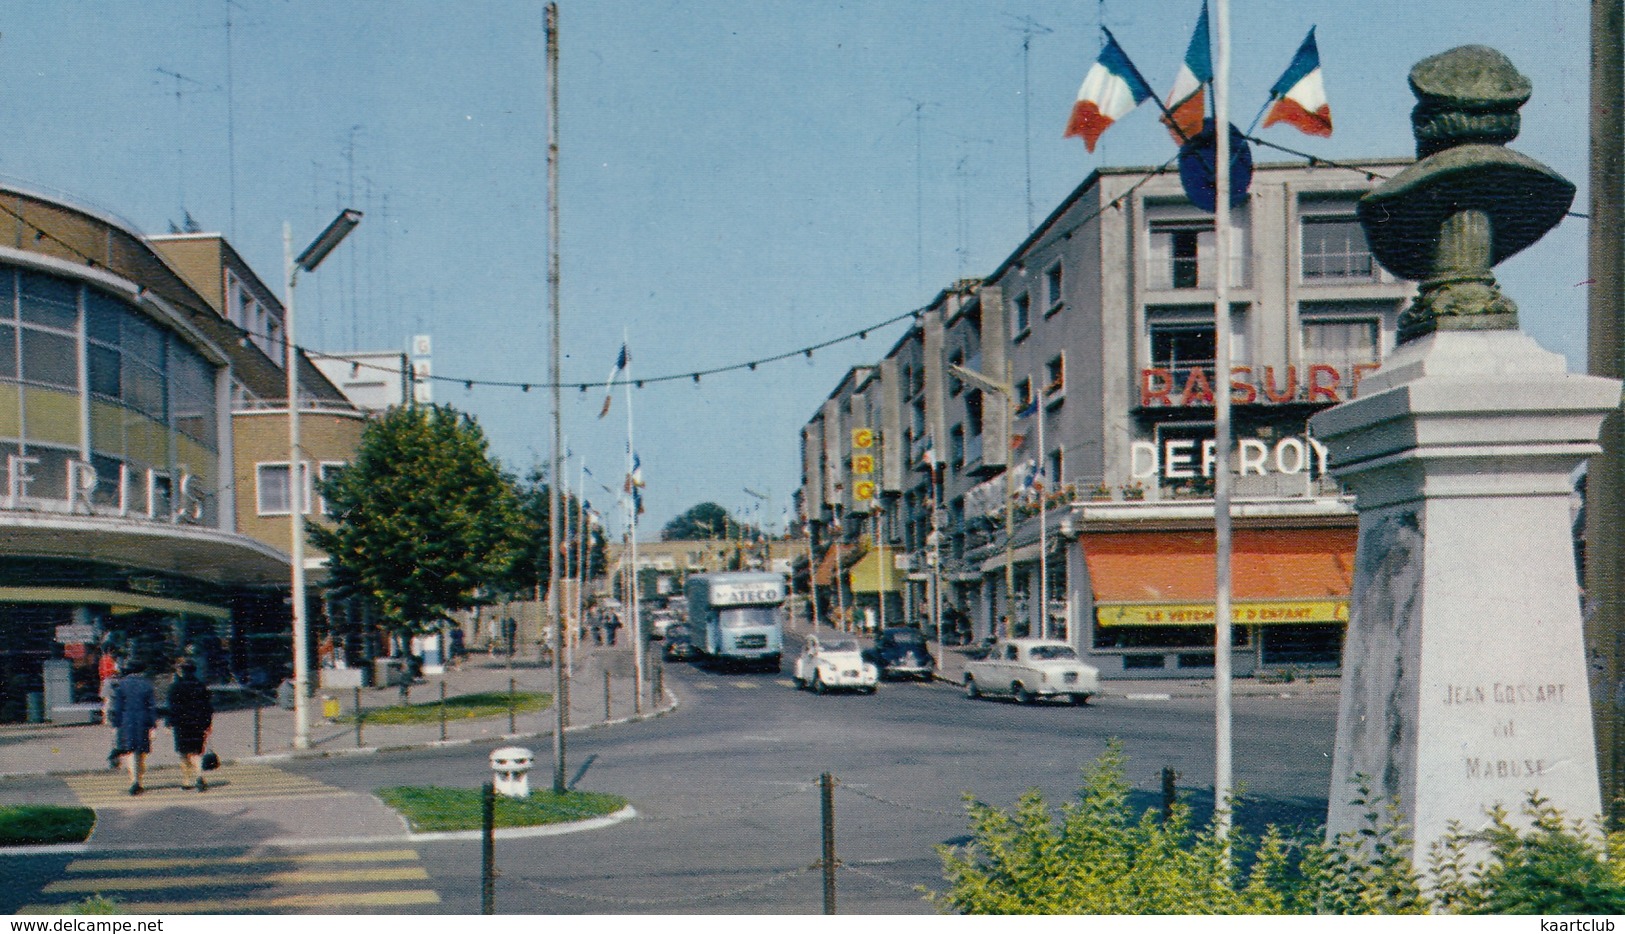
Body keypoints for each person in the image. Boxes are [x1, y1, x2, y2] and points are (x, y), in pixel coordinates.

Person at [107, 660, 158, 795]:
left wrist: (116, 725)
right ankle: (139, 780)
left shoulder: (121, 686)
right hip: (143, 721)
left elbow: (118, 708)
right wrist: (153, 726)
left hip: (127, 721)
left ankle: (133, 779)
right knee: (141, 752)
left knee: (129, 751)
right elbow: (151, 708)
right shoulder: (147, 686)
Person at [166, 661, 214, 791]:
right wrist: (208, 723)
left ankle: (186, 780)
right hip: (197, 722)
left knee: (183, 752)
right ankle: (199, 775)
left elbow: (172, 707)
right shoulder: (200, 686)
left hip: (181, 723)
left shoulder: (175, 687)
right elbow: (207, 707)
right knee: (196, 751)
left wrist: (169, 723)